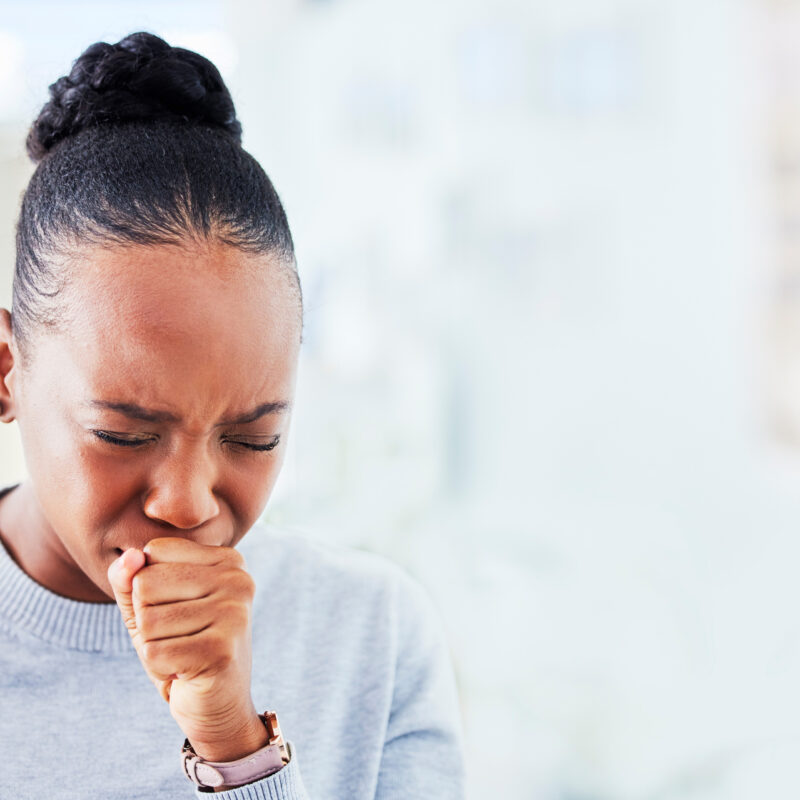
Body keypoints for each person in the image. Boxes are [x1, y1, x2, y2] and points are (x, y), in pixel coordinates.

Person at [0, 31, 466, 798]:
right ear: (10, 372)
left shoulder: (368, 637)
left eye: (254, 438)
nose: (186, 502)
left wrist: (235, 745)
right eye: (124, 433)